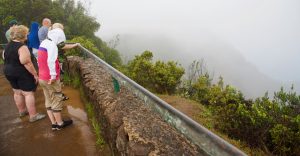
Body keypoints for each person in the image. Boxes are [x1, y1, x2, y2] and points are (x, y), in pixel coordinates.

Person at [38, 23, 79, 130]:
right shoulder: (52, 46)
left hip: (42, 77)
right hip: (50, 78)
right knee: (56, 99)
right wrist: (53, 76)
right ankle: (60, 124)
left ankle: (54, 123)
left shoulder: (44, 43)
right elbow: (51, 61)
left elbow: (39, 61)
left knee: (48, 99)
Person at [3, 25, 46, 122]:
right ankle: (33, 116)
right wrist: (35, 74)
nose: (27, 35)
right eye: (26, 33)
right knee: (28, 93)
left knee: (17, 92)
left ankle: (22, 111)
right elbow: (26, 62)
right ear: (23, 35)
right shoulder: (22, 47)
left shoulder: (8, 45)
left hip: (8, 71)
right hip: (20, 72)